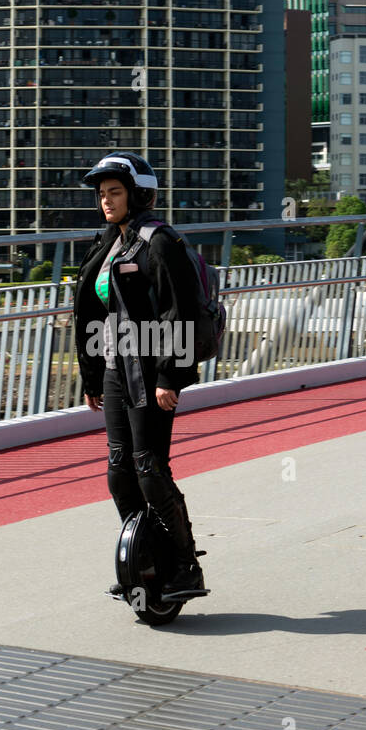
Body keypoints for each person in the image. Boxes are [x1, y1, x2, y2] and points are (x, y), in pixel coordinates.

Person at [73, 151, 208, 602]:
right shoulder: (107, 242)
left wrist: (171, 375)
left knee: (149, 467)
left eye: (115, 192)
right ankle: (146, 553)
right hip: (115, 367)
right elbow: (91, 311)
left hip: (150, 371)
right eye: (102, 194)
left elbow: (181, 310)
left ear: (138, 194)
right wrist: (92, 378)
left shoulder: (159, 242)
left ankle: (185, 565)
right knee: (119, 469)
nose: (106, 201)